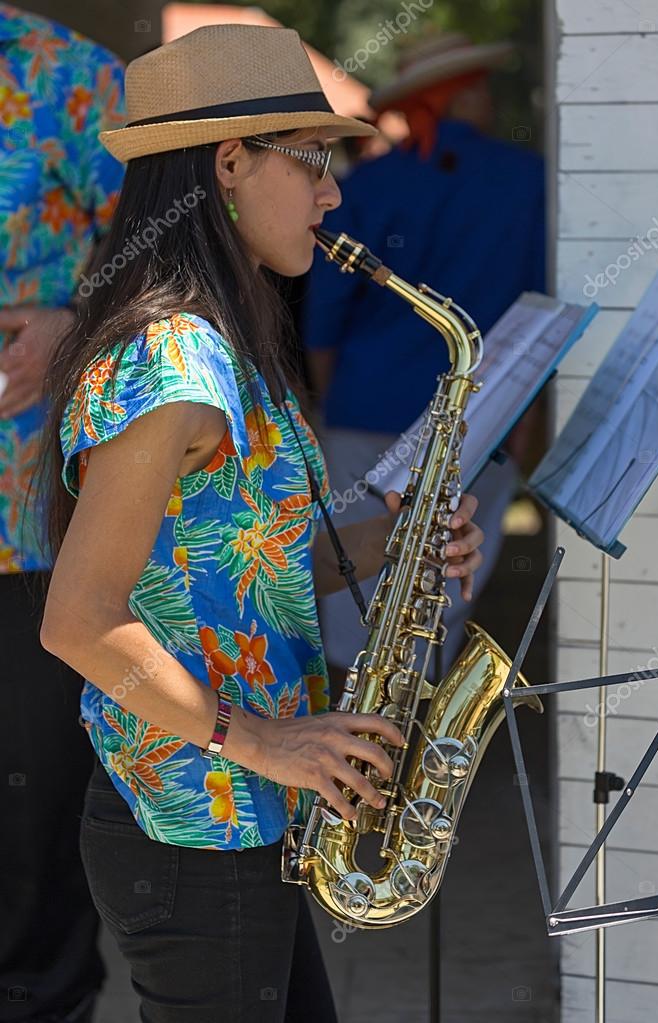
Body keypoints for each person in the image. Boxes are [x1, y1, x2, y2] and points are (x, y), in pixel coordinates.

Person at [36, 25, 486, 1023]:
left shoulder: (225, 342)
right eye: (314, 162)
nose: (334, 195)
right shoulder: (172, 368)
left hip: (241, 822)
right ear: (229, 164)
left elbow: (239, 561)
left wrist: (396, 545)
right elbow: (75, 617)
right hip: (198, 828)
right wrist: (266, 741)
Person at [301, 33, 546, 681]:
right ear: (463, 93)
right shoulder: (528, 179)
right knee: (437, 607)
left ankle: (347, 748)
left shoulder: (369, 184)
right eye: (481, 91)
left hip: (362, 411)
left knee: (352, 607)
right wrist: (524, 427)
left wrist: (332, 404)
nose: (490, 103)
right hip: (482, 421)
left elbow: (322, 319)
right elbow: (541, 305)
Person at [0, 4, 125, 1020]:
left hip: (29, 519)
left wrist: (75, 317)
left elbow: (180, 243)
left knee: (31, 808)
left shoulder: (66, 74)